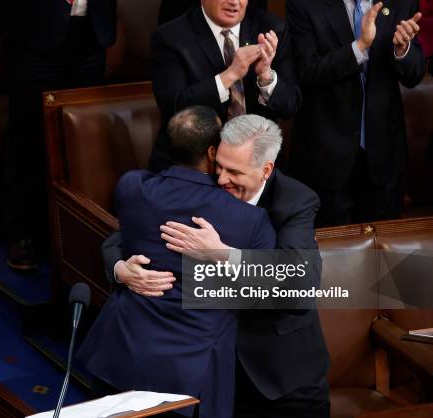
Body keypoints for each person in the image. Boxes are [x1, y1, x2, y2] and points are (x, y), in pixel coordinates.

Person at [104, 115, 330, 417]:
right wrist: (120, 268)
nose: (221, 179)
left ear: (265, 170)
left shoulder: (295, 201)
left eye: (234, 171)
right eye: (219, 166)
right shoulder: (209, 182)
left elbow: (301, 288)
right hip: (215, 369)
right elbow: (127, 234)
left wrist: (222, 253)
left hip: (281, 376)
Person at [78, 107, 276, 418]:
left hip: (123, 353)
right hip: (191, 370)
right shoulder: (250, 220)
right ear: (213, 153)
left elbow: (124, 233)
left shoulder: (133, 188)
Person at [0, 0, 116, 271]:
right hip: (33, 33)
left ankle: (75, 234)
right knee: (28, 135)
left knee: (83, 140)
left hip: (91, 32)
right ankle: (21, 233)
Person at [286, 0, 426, 227]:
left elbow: (414, 74)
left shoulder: (401, 2)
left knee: (383, 258)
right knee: (333, 257)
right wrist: (359, 47)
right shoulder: (304, 4)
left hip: (384, 158)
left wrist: (403, 50)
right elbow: (306, 73)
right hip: (325, 160)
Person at [148, 0, 301, 172]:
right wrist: (230, 75)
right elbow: (174, 109)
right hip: (193, 164)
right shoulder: (171, 37)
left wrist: (265, 75)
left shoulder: (271, 29)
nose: (234, 2)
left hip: (255, 168)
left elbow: (290, 106)